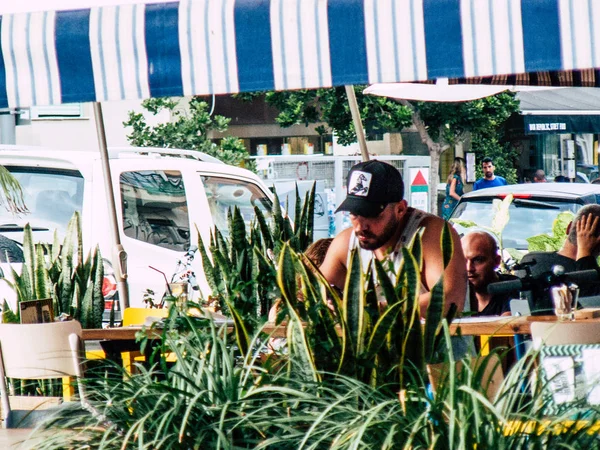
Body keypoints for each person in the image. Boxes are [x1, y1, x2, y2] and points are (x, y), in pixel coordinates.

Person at [320, 160, 466, 318]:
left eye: (372, 214)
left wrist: (372, 311)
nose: (360, 226)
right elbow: (308, 291)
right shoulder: (346, 243)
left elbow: (449, 301)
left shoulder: (431, 234)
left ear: (400, 209)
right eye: (355, 214)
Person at [519, 204, 600, 309]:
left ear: (569, 227)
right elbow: (589, 305)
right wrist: (585, 254)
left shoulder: (531, 261)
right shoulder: (592, 274)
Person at [461, 231, 518, 316]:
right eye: (463, 261)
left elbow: (509, 325)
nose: (469, 268)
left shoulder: (513, 287)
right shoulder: (455, 293)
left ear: (496, 261)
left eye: (478, 260)